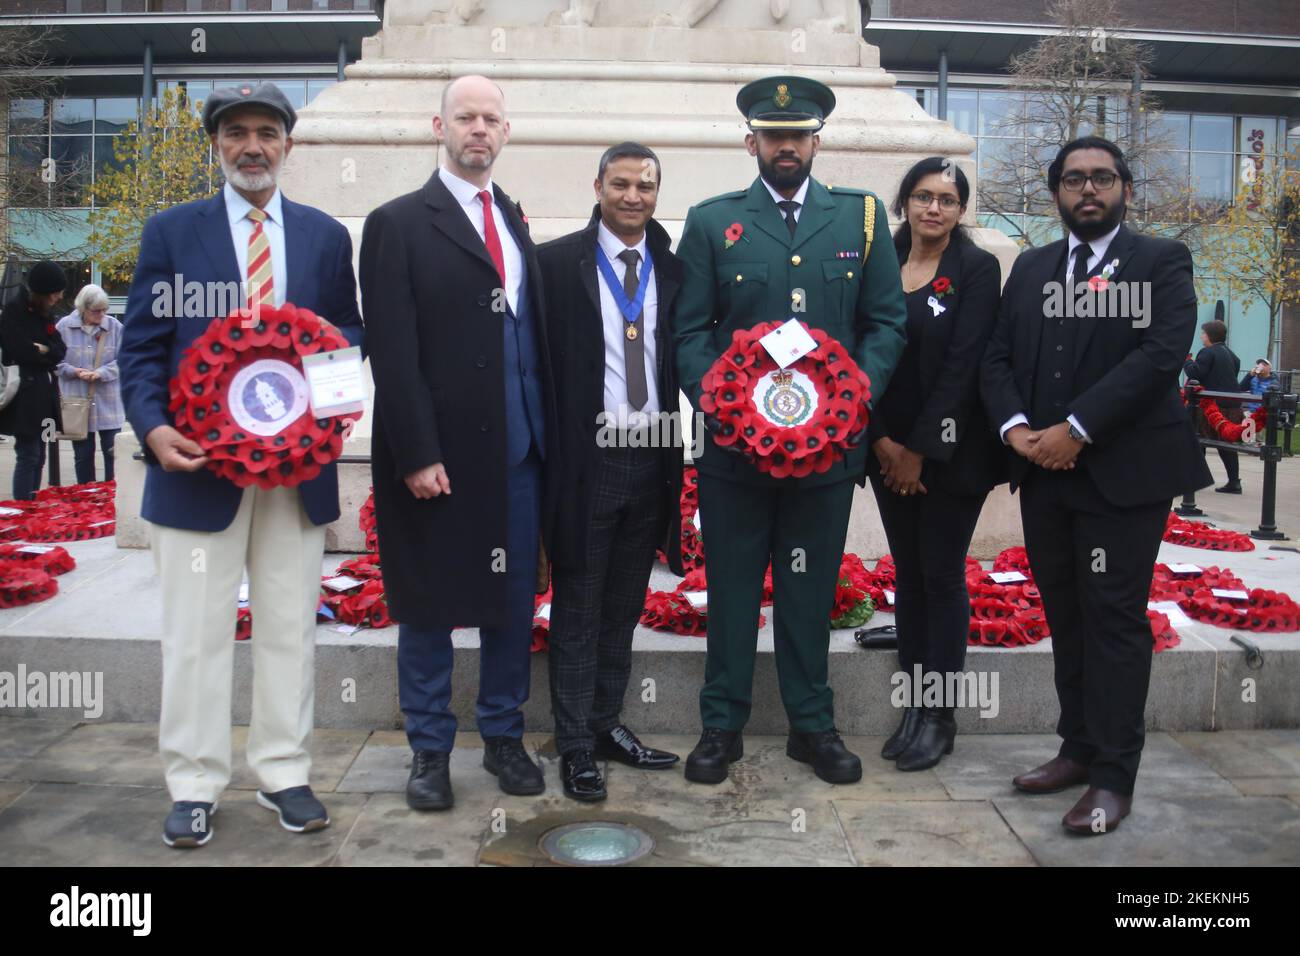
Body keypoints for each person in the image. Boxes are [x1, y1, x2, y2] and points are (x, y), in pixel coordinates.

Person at [119, 82, 365, 849]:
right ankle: (193, 783)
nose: (252, 146)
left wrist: (327, 421)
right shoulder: (172, 232)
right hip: (197, 472)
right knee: (195, 633)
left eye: (266, 132)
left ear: (288, 145)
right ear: (217, 145)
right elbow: (142, 346)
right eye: (236, 134)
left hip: (295, 476)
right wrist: (155, 430)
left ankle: (284, 773)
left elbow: (346, 344)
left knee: (291, 627)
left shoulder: (326, 237)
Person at [673, 75, 907, 786]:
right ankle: (721, 727)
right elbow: (688, 333)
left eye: (798, 135)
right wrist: (726, 408)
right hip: (735, 458)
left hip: (826, 457)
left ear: (815, 141)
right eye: (772, 136)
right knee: (734, 590)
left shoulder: (858, 218)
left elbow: (886, 322)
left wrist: (851, 397)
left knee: (810, 591)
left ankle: (813, 726)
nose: (785, 146)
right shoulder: (713, 221)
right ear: (752, 142)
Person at [980, 136, 1212, 835]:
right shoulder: (1033, 267)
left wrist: (1076, 428)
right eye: (1074, 179)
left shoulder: (1159, 261)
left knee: (1113, 622)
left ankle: (1115, 774)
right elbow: (997, 354)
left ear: (1125, 190)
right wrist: (1018, 429)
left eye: (1102, 178)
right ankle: (1077, 749)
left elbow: (1159, 354)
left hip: (1122, 478)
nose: (1089, 189)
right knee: (1067, 616)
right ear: (1055, 192)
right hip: (1044, 475)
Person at [360, 75, 557, 812]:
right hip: (440, 459)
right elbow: (392, 347)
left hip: (521, 453)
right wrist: (415, 450)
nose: (479, 129)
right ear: (436, 126)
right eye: (465, 117)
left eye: (491, 118)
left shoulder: (511, 218)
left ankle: (503, 735)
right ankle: (430, 751)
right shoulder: (399, 221)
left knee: (509, 604)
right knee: (432, 604)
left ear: (507, 132)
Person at [537, 142, 684, 802]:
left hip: (652, 457)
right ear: (597, 185)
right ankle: (573, 746)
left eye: (645, 186)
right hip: (586, 460)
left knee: (623, 608)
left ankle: (605, 726)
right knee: (578, 609)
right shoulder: (555, 264)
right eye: (620, 183)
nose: (633, 196)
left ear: (657, 193)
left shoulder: (675, 269)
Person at [867, 157, 1004, 772]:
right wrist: (881, 443)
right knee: (909, 575)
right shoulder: (877, 262)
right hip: (886, 451)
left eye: (947, 200)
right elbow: (851, 356)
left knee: (941, 577)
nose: (933, 209)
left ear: (959, 210)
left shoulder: (975, 270)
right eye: (923, 196)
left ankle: (940, 714)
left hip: (949, 456)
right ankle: (914, 706)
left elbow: (964, 367)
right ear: (905, 203)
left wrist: (919, 450)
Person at [0, 261, 68, 500]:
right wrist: (42, 352)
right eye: (55, 292)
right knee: (28, 454)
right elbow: (20, 350)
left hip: (45, 393)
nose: (59, 297)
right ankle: (23, 506)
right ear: (43, 292)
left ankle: (33, 503)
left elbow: (60, 350)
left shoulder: (44, 314)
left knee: (40, 455)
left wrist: (44, 350)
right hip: (26, 396)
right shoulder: (14, 311)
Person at [56, 283, 124, 483]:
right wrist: (74, 371)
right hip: (78, 403)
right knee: (83, 456)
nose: (101, 314)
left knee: (113, 455)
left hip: (108, 402)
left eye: (104, 310)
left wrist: (101, 373)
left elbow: (126, 359)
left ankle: (112, 497)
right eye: (96, 311)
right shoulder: (63, 327)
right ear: (83, 308)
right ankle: (85, 497)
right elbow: (54, 362)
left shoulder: (115, 327)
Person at [1184, 319, 1243, 493]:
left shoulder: (1207, 353)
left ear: (1209, 335)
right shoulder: (1231, 355)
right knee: (1226, 444)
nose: (1202, 337)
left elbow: (1195, 373)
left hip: (1211, 406)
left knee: (1197, 439)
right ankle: (1234, 481)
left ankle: (1196, 479)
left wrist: (1187, 360)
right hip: (1232, 405)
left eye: (1203, 333)